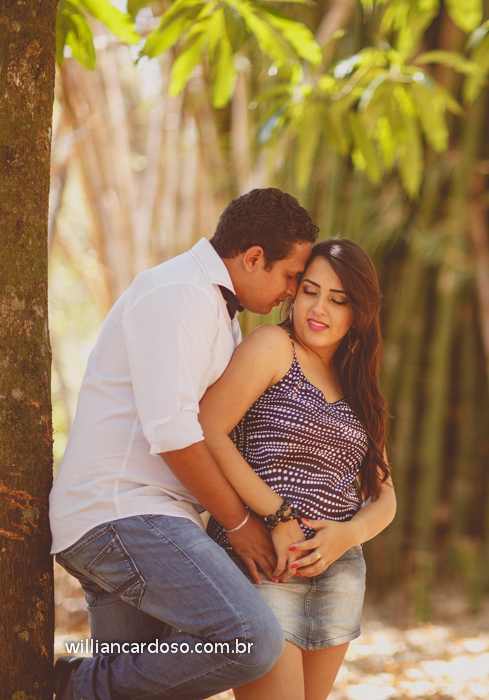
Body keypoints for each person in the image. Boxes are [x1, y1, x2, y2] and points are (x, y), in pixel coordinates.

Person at [50, 188, 318, 700]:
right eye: (290, 277)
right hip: (122, 514)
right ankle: (71, 685)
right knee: (251, 640)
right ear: (253, 257)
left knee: (139, 688)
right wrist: (240, 524)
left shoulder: (216, 310)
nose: (292, 292)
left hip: (132, 516)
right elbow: (172, 432)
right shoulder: (180, 293)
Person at [197, 238, 395, 700]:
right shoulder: (273, 345)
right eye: (310, 290)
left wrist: (347, 536)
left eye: (338, 299)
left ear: (358, 312)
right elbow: (209, 428)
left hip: (339, 570)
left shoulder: (358, 381)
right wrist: (278, 515)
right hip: (266, 562)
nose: (318, 308)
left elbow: (386, 498)